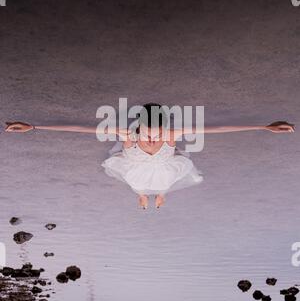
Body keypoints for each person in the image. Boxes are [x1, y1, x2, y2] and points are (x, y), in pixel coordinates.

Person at [5, 103, 295, 209]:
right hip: (137, 166)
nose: (153, 137)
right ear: (139, 126)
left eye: (157, 132)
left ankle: (158, 195)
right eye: (148, 132)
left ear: (165, 128)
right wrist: (33, 126)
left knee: (165, 178)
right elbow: (80, 128)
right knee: (137, 181)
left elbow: (218, 129)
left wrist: (263, 127)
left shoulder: (170, 134)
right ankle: (144, 196)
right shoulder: (127, 135)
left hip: (164, 164)